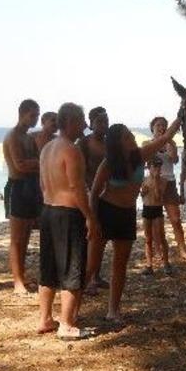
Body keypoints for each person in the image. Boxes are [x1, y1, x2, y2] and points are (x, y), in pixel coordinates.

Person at [85, 120, 180, 320]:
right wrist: (92, 220)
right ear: (118, 143)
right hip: (106, 212)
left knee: (120, 265)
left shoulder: (141, 154)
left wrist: (181, 113)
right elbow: (93, 193)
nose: (133, 138)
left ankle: (113, 311)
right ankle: (72, 311)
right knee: (91, 266)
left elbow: (165, 137)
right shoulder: (108, 163)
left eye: (131, 135)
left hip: (127, 214)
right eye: (128, 136)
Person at [37, 102, 99, 340]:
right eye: (82, 120)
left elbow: (43, 184)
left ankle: (45, 319)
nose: (85, 125)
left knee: (49, 269)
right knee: (73, 269)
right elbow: (76, 188)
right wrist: (89, 217)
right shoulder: (71, 150)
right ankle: (67, 324)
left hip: (49, 210)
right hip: (68, 213)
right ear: (71, 121)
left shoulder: (47, 148)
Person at [2, 99, 41, 295]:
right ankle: (17, 281)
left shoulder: (28, 138)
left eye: (37, 116)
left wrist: (34, 163)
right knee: (17, 238)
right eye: (33, 115)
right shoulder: (13, 136)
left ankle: (22, 276)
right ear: (22, 113)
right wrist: (37, 163)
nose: (36, 119)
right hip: (17, 187)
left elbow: (36, 161)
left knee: (26, 235)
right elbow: (20, 165)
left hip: (31, 186)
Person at [147, 116, 186, 260]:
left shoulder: (171, 143)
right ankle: (158, 251)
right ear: (152, 128)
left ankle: (182, 249)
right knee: (155, 220)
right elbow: (146, 160)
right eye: (158, 125)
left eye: (164, 126)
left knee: (175, 219)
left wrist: (169, 142)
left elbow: (174, 160)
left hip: (170, 182)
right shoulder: (147, 144)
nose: (161, 128)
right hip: (154, 183)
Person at [77, 107, 110, 291]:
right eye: (100, 122)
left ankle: (96, 275)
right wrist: (89, 189)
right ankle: (86, 278)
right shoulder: (84, 142)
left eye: (106, 121)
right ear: (91, 123)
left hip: (106, 195)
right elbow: (79, 170)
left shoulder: (108, 143)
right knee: (89, 236)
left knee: (102, 237)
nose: (104, 125)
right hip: (90, 194)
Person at [141, 158, 174, 275]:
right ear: (149, 168)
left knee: (161, 236)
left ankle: (166, 263)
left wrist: (155, 179)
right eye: (154, 167)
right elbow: (142, 196)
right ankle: (149, 265)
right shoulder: (144, 180)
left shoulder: (163, 181)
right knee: (148, 239)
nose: (157, 169)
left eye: (159, 167)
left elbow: (157, 197)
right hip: (146, 209)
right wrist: (143, 192)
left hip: (157, 209)